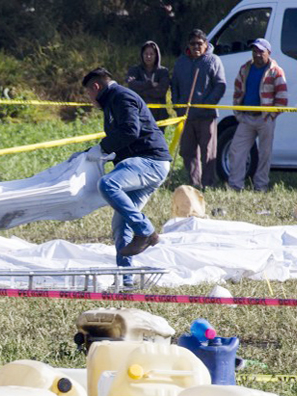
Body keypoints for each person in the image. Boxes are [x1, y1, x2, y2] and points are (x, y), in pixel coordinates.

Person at [81, 67, 172, 284]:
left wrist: (103, 148)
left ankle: (146, 231)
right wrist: (94, 153)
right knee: (121, 223)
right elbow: (122, 138)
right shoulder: (113, 101)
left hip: (151, 161)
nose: (90, 99)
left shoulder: (121, 96)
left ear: (95, 86)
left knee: (108, 184)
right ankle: (125, 280)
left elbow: (131, 130)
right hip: (140, 163)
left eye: (88, 94)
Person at [228, 38, 288, 192]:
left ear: (269, 53)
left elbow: (282, 98)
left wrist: (271, 116)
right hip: (246, 118)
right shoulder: (245, 68)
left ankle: (260, 186)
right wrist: (238, 113)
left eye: (261, 51)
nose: (257, 54)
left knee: (264, 154)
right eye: (254, 51)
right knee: (236, 150)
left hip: (265, 119)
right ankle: (235, 185)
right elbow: (237, 91)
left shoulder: (276, 71)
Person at [171, 29, 227, 189]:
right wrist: (178, 105)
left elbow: (220, 85)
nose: (196, 46)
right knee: (188, 152)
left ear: (206, 44)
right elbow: (174, 85)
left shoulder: (213, 60)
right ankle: (194, 183)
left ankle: (208, 183)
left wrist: (207, 103)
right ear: (188, 45)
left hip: (206, 115)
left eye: (199, 43)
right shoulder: (181, 62)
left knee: (208, 152)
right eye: (193, 43)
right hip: (186, 116)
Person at [125, 41, 170, 126]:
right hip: (138, 115)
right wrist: (150, 84)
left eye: (151, 54)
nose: (148, 56)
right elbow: (131, 86)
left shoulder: (163, 72)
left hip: (159, 116)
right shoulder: (134, 70)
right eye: (146, 54)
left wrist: (141, 89)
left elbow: (161, 92)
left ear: (156, 55)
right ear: (142, 55)